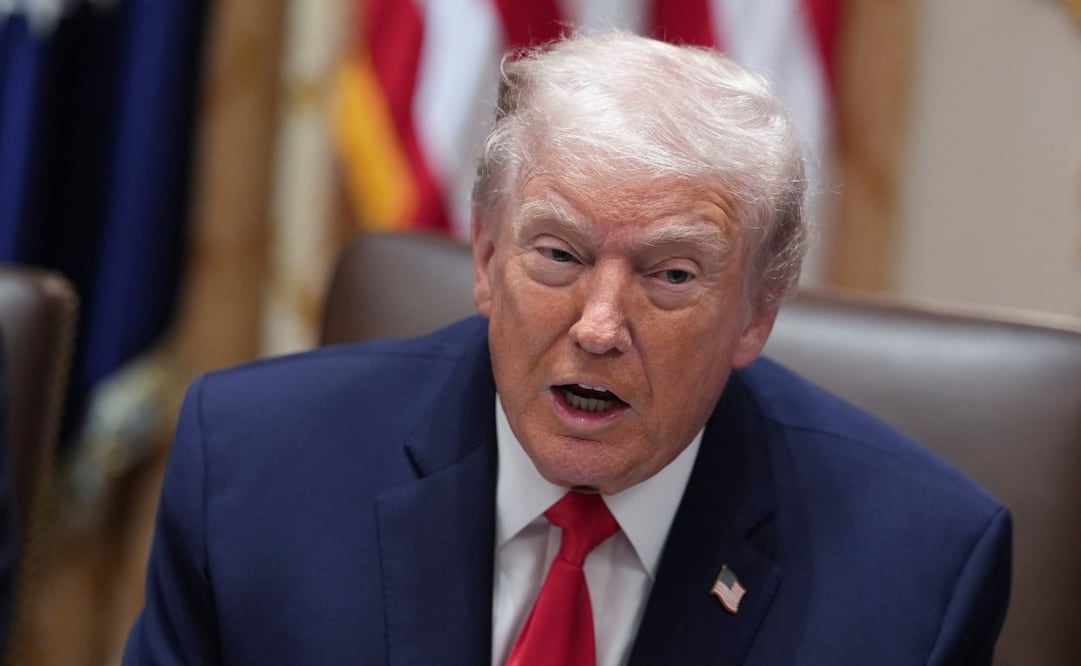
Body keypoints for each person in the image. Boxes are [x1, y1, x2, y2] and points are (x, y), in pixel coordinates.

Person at [123, 31, 1010, 665]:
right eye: (559, 255)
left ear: (757, 312)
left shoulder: (917, 570)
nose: (597, 325)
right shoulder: (250, 466)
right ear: (484, 256)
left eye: (669, 275)